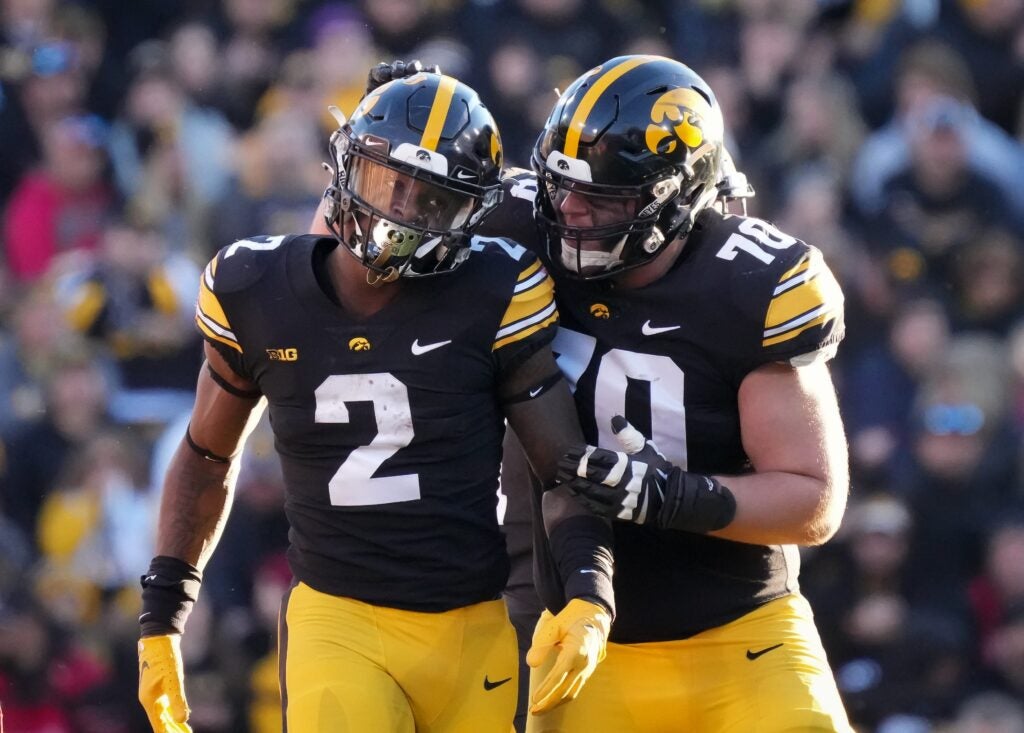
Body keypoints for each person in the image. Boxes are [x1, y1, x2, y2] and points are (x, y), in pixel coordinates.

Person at [136, 72, 618, 733]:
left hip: (472, 621)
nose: (395, 212)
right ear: (341, 163)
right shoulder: (254, 287)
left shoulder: (496, 288)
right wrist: (163, 612)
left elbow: (560, 466)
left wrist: (589, 590)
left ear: (471, 214)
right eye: (383, 179)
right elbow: (207, 454)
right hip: (339, 616)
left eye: (427, 200)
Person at [479, 55, 853, 731]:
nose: (568, 209)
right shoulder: (516, 229)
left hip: (741, 632)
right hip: (584, 636)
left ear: (676, 197)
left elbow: (813, 498)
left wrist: (673, 497)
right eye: (560, 184)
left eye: (603, 197)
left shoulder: (750, 287)